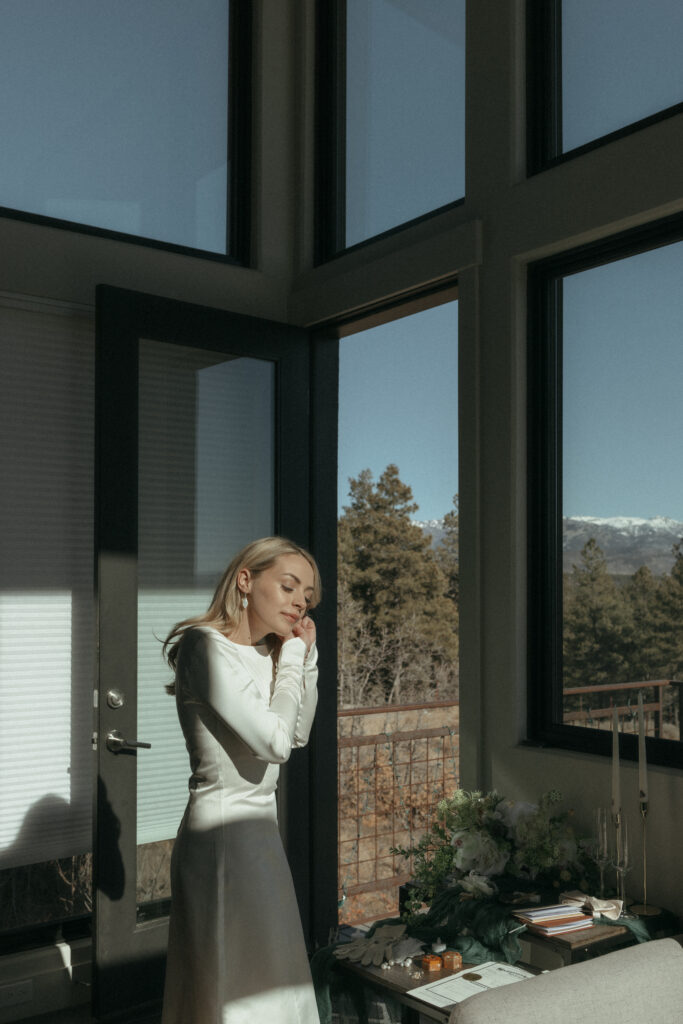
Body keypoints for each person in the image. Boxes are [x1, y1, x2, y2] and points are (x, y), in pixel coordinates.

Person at [160, 536, 322, 1024]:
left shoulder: (273, 653)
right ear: (246, 581)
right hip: (221, 838)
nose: (299, 602)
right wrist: (294, 659)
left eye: (308, 596)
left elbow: (296, 735)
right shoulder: (202, 647)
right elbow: (271, 744)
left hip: (261, 836)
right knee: (228, 981)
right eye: (289, 586)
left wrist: (304, 659)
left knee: (274, 978)